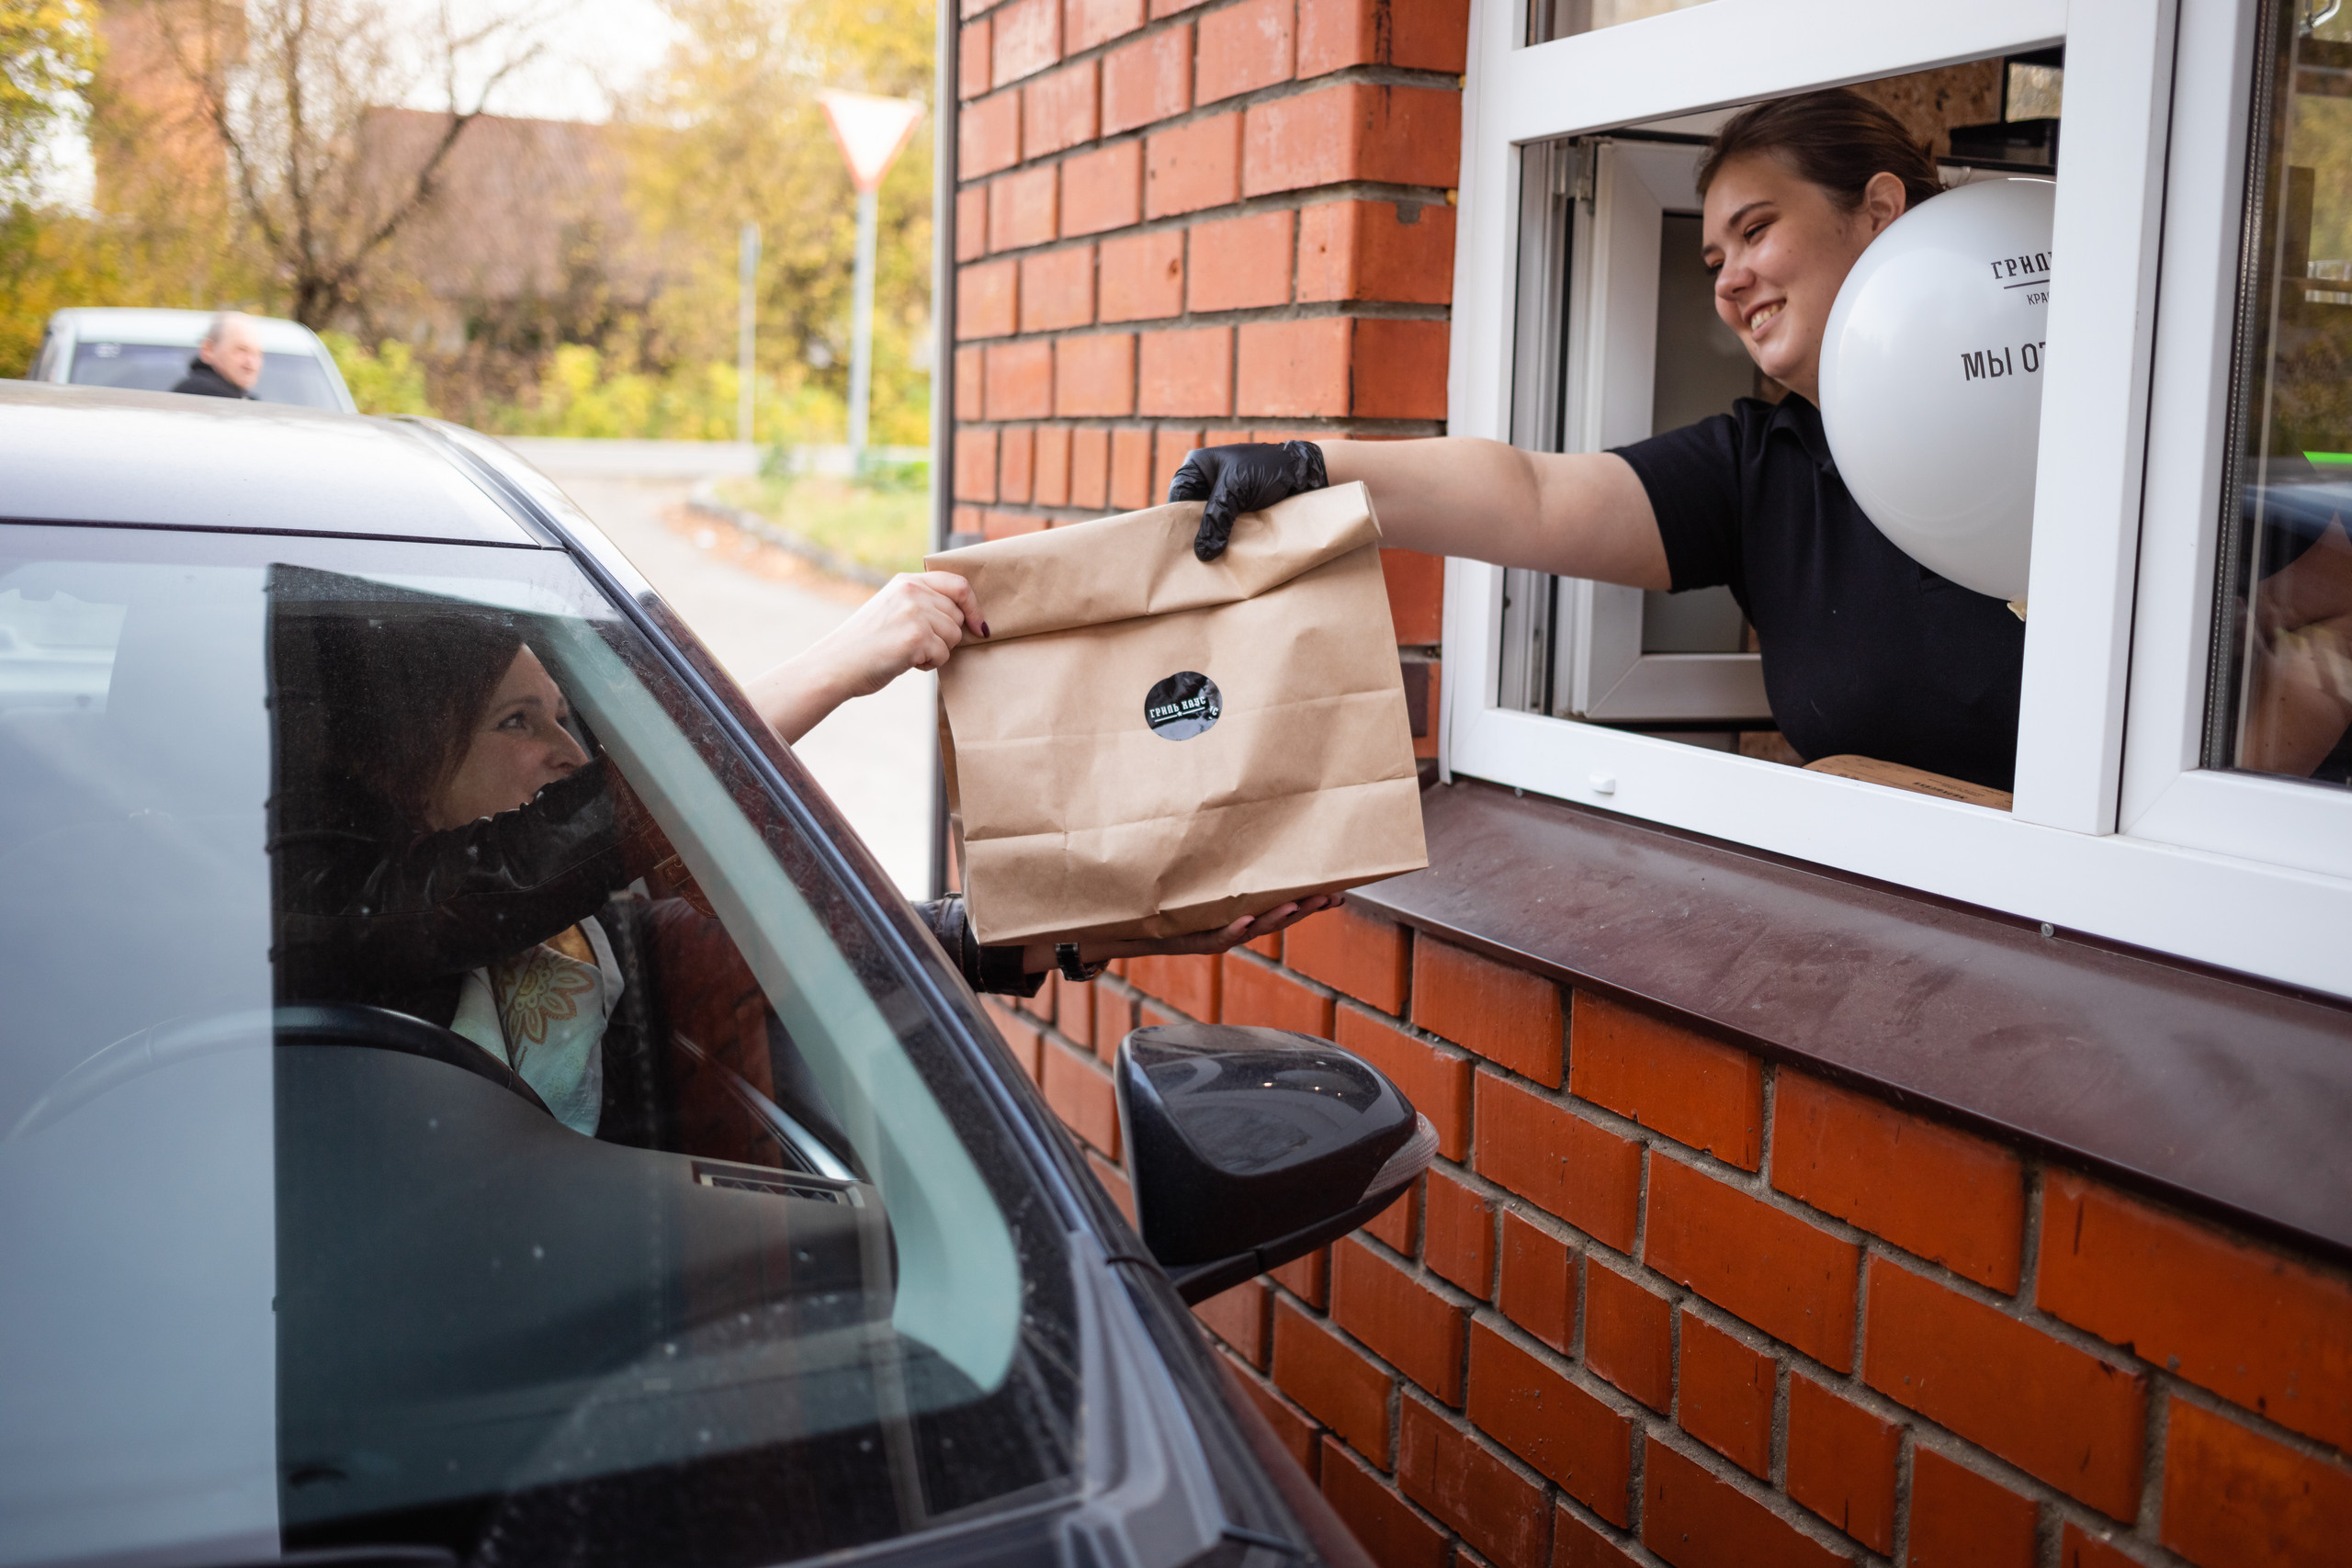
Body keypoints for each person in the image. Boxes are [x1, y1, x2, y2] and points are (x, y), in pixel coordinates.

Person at [1170, 89, 2032, 792]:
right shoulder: (1757, 467)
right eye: (1712, 261)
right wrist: (1307, 468)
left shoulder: (2061, 421)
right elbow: (1529, 496)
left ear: (1877, 211)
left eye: (1757, 229)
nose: (1730, 282)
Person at [270, 571, 1336, 1134]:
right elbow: (466, 890)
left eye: (565, 719)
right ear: (408, 767)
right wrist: (829, 669)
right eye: (515, 725)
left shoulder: (583, 939)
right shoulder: (328, 938)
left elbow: (787, 945)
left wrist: (1063, 924)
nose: (565, 753)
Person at [170, 311, 264, 400]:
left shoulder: (238, 396)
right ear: (208, 349)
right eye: (241, 350)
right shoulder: (205, 393)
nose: (251, 361)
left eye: (257, 353)